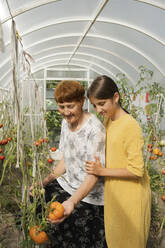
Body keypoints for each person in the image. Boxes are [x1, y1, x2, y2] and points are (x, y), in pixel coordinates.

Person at [85, 75, 151, 248]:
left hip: (131, 197)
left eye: (101, 103)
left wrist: (101, 171)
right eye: (94, 105)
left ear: (115, 97)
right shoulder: (109, 120)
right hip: (115, 194)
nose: (98, 109)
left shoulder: (130, 126)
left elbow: (137, 170)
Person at [42, 80, 107, 248]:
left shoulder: (95, 130)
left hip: (90, 194)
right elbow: (66, 160)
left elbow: (94, 175)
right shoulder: (66, 123)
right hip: (69, 184)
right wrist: (44, 181)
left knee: (75, 230)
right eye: (61, 107)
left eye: (70, 106)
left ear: (82, 102)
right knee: (39, 196)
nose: (66, 112)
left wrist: (72, 202)